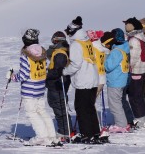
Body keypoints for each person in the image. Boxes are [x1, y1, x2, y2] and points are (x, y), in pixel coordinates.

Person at [9, 28, 59, 147]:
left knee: (32, 113)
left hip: (29, 89)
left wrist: (13, 77)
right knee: (41, 111)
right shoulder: (42, 52)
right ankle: (51, 136)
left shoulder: (26, 55)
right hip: (40, 87)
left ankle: (41, 136)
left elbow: (24, 74)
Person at [63, 16, 105, 144]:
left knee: (81, 108)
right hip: (93, 78)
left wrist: (64, 71)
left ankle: (87, 134)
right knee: (90, 107)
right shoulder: (86, 41)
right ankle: (95, 132)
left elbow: (76, 64)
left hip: (83, 80)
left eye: (68, 31)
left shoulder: (76, 44)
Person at [123, 17, 145, 128]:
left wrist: (127, 67)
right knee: (137, 96)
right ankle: (143, 117)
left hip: (135, 71)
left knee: (134, 97)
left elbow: (133, 57)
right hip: (140, 70)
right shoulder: (139, 37)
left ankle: (140, 118)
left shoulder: (133, 40)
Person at [101, 29, 134, 133]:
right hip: (121, 80)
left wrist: (105, 58)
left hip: (115, 81)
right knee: (118, 103)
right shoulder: (123, 49)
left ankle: (121, 125)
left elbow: (108, 66)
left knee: (115, 104)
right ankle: (123, 123)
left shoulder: (116, 52)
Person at [46, 31, 73, 141]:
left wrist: (47, 75)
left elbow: (58, 70)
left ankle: (65, 132)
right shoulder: (59, 51)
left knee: (59, 106)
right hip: (56, 83)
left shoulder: (60, 53)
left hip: (57, 83)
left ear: (56, 40)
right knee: (58, 105)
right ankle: (66, 130)